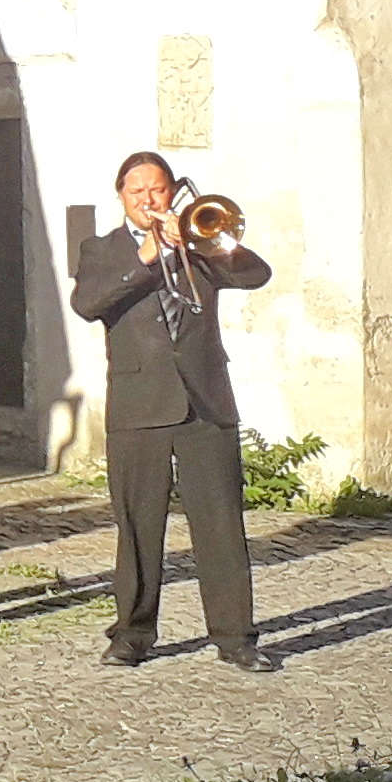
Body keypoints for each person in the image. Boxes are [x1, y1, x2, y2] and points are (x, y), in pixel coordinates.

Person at [68, 149, 278, 670]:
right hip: (139, 403)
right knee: (138, 526)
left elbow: (257, 274)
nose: (148, 199)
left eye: (157, 189)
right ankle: (132, 634)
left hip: (205, 400)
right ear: (121, 196)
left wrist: (205, 242)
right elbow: (88, 303)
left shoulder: (199, 242)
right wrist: (146, 258)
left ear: (172, 192)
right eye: (137, 191)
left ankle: (236, 638)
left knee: (221, 524)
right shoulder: (101, 250)